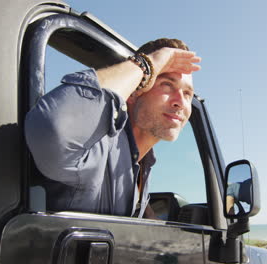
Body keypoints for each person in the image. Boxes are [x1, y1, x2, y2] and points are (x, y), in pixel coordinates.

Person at [25, 38, 201, 218]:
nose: (180, 102)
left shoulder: (143, 164)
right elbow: (54, 131)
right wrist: (148, 64)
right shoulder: (96, 145)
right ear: (134, 91)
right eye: (167, 85)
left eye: (187, 93)